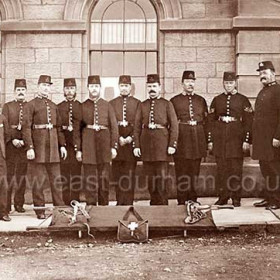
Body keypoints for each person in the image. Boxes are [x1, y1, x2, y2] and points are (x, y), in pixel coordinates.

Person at [22, 75, 67, 219]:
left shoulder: (53, 106)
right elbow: (26, 128)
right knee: (39, 181)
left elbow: (58, 128)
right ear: (38, 87)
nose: (46, 88)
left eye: (48, 86)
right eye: (43, 85)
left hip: (53, 148)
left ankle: (59, 209)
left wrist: (62, 146)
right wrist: (29, 147)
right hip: (38, 149)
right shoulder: (31, 105)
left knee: (56, 181)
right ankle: (40, 210)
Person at [208, 72, 253, 207]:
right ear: (223, 83)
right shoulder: (217, 99)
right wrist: (210, 140)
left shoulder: (243, 100)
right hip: (220, 139)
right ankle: (223, 197)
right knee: (221, 170)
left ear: (235, 83)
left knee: (235, 169)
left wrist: (246, 140)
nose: (228, 85)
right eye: (226, 83)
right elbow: (210, 120)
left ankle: (236, 197)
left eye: (231, 83)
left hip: (236, 140)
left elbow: (249, 121)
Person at [133, 74, 178, 205]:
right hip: (147, 147)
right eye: (149, 86)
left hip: (162, 147)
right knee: (151, 179)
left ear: (159, 87)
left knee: (162, 179)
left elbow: (174, 126)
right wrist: (136, 146)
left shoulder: (167, 104)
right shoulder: (142, 105)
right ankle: (153, 204)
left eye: (154, 86)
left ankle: (163, 205)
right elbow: (136, 127)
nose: (152, 89)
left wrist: (172, 144)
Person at [74, 75, 118, 206]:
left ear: (100, 88)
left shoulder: (108, 105)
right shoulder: (82, 106)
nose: (94, 89)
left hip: (104, 145)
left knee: (104, 179)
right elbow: (77, 131)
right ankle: (91, 207)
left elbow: (114, 127)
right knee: (90, 179)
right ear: (88, 88)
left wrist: (113, 147)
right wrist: (79, 150)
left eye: (96, 86)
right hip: (88, 146)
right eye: (91, 86)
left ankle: (104, 207)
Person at [170, 70, 208, 205]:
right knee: (181, 173)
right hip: (181, 141)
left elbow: (206, 122)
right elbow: (171, 124)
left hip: (197, 141)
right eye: (187, 81)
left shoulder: (201, 100)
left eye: (192, 81)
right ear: (182, 83)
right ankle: (181, 200)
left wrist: (206, 142)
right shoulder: (174, 101)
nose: (190, 84)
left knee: (194, 173)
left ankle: (192, 200)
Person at [253, 61, 280, 210]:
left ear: (273, 73)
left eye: (265, 72)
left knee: (275, 170)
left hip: (273, 140)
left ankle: (277, 200)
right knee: (266, 169)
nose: (262, 75)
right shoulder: (262, 91)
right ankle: (269, 197)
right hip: (262, 140)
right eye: (260, 73)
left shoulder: (278, 90)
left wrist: (278, 136)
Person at [110, 75, 141, 205]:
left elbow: (138, 124)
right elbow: (111, 125)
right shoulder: (112, 103)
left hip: (130, 146)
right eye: (122, 86)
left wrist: (130, 138)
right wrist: (118, 139)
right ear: (118, 87)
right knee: (117, 176)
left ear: (130, 87)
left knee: (129, 176)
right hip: (117, 146)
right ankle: (119, 202)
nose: (124, 88)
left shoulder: (137, 103)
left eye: (126, 86)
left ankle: (129, 202)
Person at [2, 79, 28, 213]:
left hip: (24, 147)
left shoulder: (29, 106)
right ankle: (7, 205)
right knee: (10, 176)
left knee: (21, 177)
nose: (21, 92)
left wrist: (25, 141)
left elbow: (30, 127)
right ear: (14, 92)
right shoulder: (7, 106)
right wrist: (12, 139)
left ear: (26, 91)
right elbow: (5, 126)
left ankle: (19, 204)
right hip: (11, 146)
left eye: (23, 90)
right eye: (18, 90)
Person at [58, 78, 82, 205]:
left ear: (76, 90)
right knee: (65, 175)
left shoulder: (80, 106)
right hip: (64, 147)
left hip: (77, 147)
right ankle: (66, 201)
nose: (69, 91)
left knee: (77, 175)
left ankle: (75, 200)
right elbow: (58, 129)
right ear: (63, 90)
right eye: (67, 88)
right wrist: (61, 145)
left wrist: (80, 149)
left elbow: (83, 129)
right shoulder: (59, 107)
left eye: (72, 88)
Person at [0, 113, 11, 221]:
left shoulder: (2, 117)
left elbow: (8, 135)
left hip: (0, 155)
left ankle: (3, 212)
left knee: (3, 184)